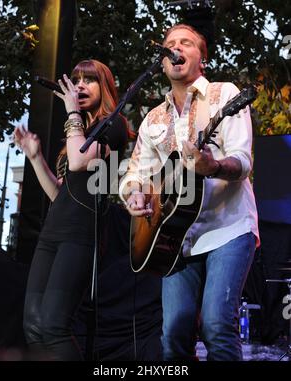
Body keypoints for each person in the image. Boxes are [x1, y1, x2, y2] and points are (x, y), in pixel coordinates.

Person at [119, 24, 260, 361]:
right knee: (173, 336)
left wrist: (213, 167)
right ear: (163, 62)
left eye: (185, 43)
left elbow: (242, 161)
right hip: (174, 238)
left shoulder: (225, 95)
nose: (175, 48)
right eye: (169, 44)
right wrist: (135, 194)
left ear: (202, 60)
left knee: (216, 325)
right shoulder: (154, 117)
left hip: (229, 227)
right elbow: (134, 173)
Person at [13, 59, 129, 360]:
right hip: (53, 230)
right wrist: (36, 158)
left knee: (54, 325)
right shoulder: (79, 130)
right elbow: (59, 193)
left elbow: (79, 161)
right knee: (33, 326)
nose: (79, 86)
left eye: (88, 80)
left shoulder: (113, 125)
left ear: (104, 87)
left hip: (81, 233)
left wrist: (73, 113)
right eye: (75, 80)